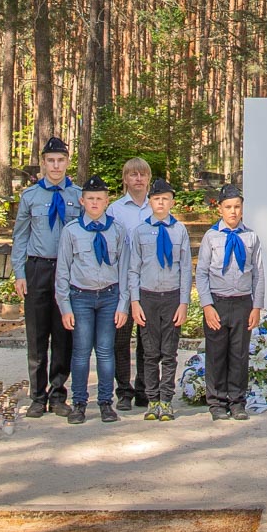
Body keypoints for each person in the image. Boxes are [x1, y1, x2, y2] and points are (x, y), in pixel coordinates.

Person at [13, 137, 80, 418]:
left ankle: (58, 394)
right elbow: (20, 237)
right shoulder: (30, 197)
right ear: (43, 162)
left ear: (67, 162)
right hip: (39, 268)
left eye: (61, 160)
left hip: (69, 271)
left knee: (64, 334)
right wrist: (19, 272)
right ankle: (37, 396)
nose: (56, 165)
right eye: (51, 160)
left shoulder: (78, 196)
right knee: (37, 335)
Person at [187, 184, 265, 420]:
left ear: (242, 209)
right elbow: (201, 273)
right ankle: (217, 402)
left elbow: (258, 273)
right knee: (216, 354)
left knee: (239, 354)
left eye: (237, 207)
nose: (233, 211)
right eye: (228, 207)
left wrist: (256, 306)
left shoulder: (251, 236)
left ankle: (237, 401)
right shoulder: (212, 237)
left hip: (242, 302)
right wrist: (207, 305)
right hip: (218, 303)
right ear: (219, 209)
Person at [56, 175, 130, 425]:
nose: (95, 203)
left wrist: (123, 305)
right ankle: (79, 403)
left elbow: (125, 269)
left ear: (107, 201)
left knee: (106, 352)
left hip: (109, 296)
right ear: (82, 200)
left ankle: (106, 403)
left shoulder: (117, 230)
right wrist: (65, 307)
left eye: (100, 198)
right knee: (80, 352)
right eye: (90, 198)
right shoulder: (72, 231)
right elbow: (63, 271)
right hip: (81, 297)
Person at [128, 178, 192, 422]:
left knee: (169, 351)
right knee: (150, 352)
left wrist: (184, 302)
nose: (161, 203)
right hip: (147, 297)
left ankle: (166, 399)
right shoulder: (140, 231)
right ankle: (151, 399)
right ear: (149, 201)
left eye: (165, 199)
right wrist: (135, 302)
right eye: (156, 199)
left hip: (172, 297)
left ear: (172, 202)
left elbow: (185, 269)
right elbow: (133, 269)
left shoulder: (180, 230)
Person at [109, 159, 155, 409]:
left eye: (142, 174)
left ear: (148, 178)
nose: (138, 179)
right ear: (125, 179)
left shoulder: (156, 208)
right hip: (122, 282)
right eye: (133, 175)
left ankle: (143, 387)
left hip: (148, 282)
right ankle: (123, 391)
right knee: (120, 339)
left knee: (146, 339)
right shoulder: (114, 210)